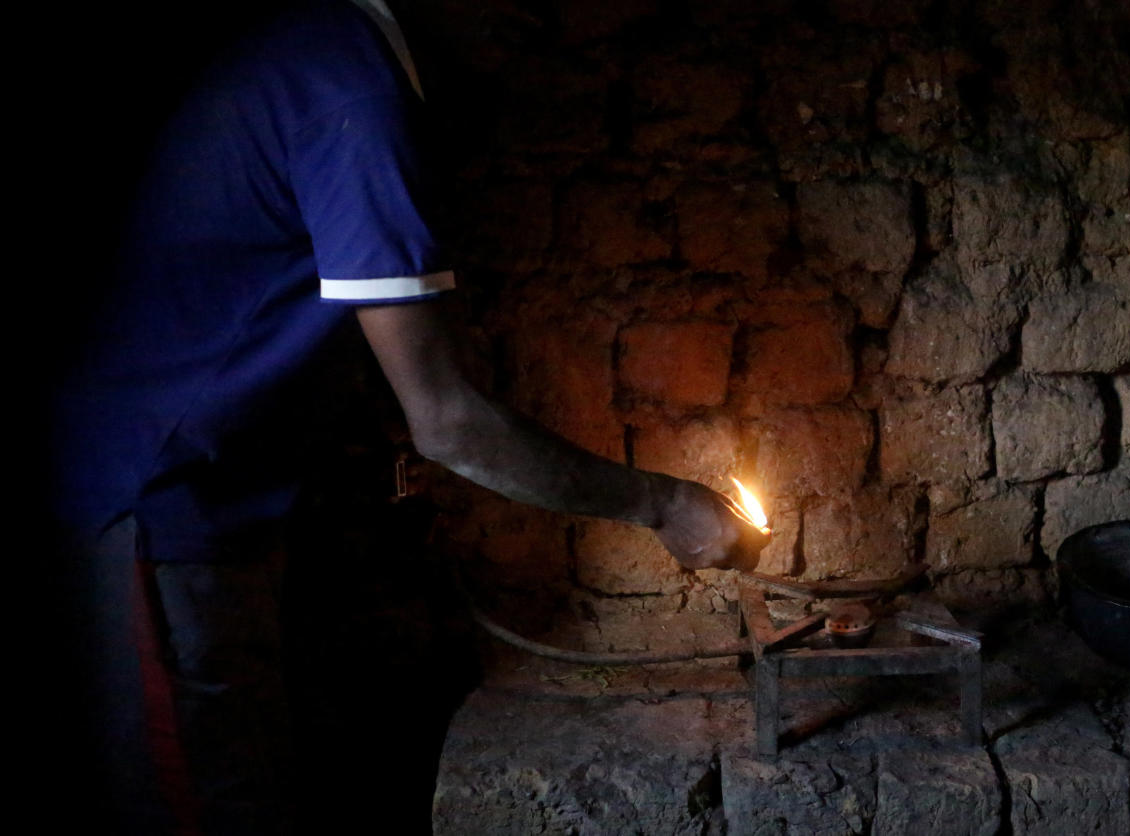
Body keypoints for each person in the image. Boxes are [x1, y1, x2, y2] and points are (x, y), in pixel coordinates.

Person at [48, 1, 766, 832]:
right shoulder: (356, 100)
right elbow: (448, 421)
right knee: (209, 802)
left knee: (252, 777)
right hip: (153, 499)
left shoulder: (328, 54)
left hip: (220, 492)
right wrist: (667, 506)